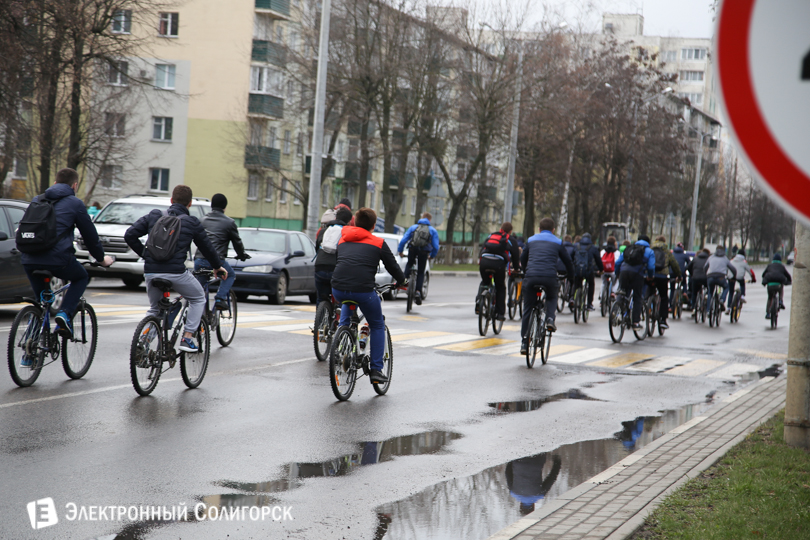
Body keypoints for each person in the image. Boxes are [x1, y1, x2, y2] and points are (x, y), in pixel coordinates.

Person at [125, 185, 227, 352]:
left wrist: (146, 254)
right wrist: (218, 267)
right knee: (198, 298)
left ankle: (143, 342)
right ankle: (187, 338)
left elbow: (129, 234)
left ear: (171, 200)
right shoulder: (191, 222)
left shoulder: (154, 216)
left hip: (151, 272)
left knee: (155, 309)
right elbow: (207, 248)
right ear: (190, 203)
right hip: (176, 273)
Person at [21, 168, 114, 338]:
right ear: (75, 185)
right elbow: (90, 236)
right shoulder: (75, 203)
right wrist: (101, 259)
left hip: (29, 259)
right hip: (58, 260)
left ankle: (29, 352)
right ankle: (64, 313)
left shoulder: (37, 200)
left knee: (41, 303)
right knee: (81, 277)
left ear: (55, 183)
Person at [331, 208, 405, 384]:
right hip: (363, 291)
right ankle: (376, 370)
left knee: (346, 319)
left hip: (338, 289)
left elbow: (340, 261)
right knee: (377, 324)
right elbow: (393, 267)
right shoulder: (378, 242)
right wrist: (402, 281)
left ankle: (342, 347)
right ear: (373, 226)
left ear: (354, 222)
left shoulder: (342, 239)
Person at [519, 217, 574, 354]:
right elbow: (567, 261)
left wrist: (526, 271)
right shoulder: (557, 241)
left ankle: (525, 343)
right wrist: (571, 277)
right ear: (553, 230)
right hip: (549, 278)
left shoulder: (531, 240)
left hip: (531, 277)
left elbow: (523, 258)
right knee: (551, 297)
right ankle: (550, 318)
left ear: (539, 229)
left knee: (527, 308)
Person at [193, 193, 249, 310]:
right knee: (230, 275)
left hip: (199, 260)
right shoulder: (229, 222)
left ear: (211, 205)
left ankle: (200, 320)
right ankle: (220, 298)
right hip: (216, 261)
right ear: (225, 207)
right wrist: (241, 255)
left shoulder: (202, 220)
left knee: (200, 292)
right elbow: (237, 242)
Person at [477, 222, 521, 320]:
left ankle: (479, 302)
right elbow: (515, 255)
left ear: (501, 228)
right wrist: (517, 268)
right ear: (510, 231)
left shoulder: (492, 235)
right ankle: (500, 314)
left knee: (485, 282)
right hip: (498, 265)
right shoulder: (510, 239)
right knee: (500, 287)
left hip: (484, 261)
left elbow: (482, 248)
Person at [397, 212, 439, 306]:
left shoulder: (413, 227)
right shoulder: (432, 230)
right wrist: (432, 255)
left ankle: (403, 282)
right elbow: (436, 246)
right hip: (424, 252)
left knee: (409, 264)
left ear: (422, 218)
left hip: (413, 249)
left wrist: (400, 251)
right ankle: (418, 292)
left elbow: (404, 240)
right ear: (429, 220)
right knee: (420, 272)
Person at [313, 206, 353, 304]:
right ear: (348, 222)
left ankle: (319, 318)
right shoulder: (347, 233)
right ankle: (338, 315)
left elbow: (317, 248)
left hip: (320, 267)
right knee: (340, 298)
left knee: (321, 298)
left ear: (335, 218)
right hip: (336, 270)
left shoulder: (324, 231)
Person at [614, 234, 655, 329]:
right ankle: (635, 322)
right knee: (637, 297)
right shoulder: (649, 251)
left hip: (624, 273)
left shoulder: (629, 248)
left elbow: (618, 262)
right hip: (637, 274)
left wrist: (618, 273)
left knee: (623, 293)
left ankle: (616, 312)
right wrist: (650, 276)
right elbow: (651, 266)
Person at [650, 236, 682, 329]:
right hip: (662, 277)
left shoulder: (650, 249)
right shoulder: (667, 251)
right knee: (664, 297)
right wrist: (679, 275)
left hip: (650, 275)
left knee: (648, 293)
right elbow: (674, 264)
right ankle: (663, 320)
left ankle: (646, 308)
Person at [571, 232, 603, 311]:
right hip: (588, 271)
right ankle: (589, 304)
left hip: (577, 270)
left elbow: (571, 257)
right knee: (591, 284)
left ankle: (572, 298)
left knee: (576, 283)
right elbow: (598, 260)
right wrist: (601, 269)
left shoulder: (576, 246)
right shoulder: (593, 247)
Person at [704, 245, 737, 312]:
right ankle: (722, 299)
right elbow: (733, 269)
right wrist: (734, 276)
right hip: (721, 277)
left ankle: (707, 310)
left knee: (710, 292)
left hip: (710, 276)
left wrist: (706, 275)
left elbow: (705, 267)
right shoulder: (725, 258)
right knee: (726, 287)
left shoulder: (711, 257)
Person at [761, 252, 792, 318]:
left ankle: (768, 314)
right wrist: (789, 281)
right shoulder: (782, 266)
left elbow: (763, 274)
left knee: (770, 298)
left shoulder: (769, 266)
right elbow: (788, 275)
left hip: (770, 285)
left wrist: (764, 281)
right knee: (781, 289)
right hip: (778, 285)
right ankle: (780, 300)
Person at [671, 242, 691, 306]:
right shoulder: (684, 255)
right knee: (684, 282)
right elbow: (690, 264)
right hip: (681, 272)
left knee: (672, 289)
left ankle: (671, 305)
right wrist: (685, 268)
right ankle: (685, 292)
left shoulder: (672, 254)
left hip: (672, 272)